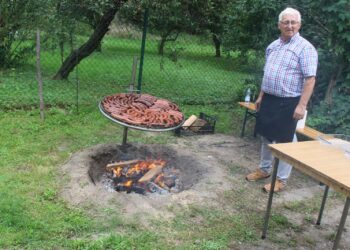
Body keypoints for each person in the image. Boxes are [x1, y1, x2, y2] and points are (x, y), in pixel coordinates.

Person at [245, 7, 318, 192]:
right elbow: (267, 74)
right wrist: (261, 96)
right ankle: (264, 169)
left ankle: (282, 179)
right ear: (279, 25)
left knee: (286, 141)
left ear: (299, 24)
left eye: (293, 22)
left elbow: (310, 79)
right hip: (269, 98)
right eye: (286, 22)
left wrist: (301, 106)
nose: (290, 25)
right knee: (266, 135)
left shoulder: (305, 48)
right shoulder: (273, 46)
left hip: (289, 101)